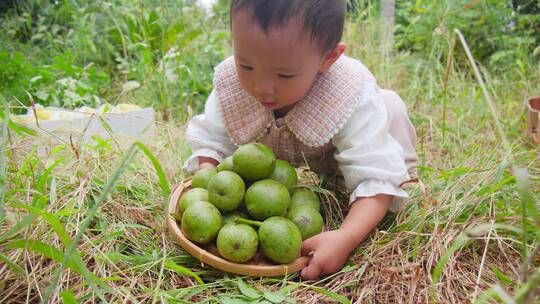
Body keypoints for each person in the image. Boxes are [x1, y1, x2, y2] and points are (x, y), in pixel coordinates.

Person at [184, 0, 418, 280]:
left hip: (366, 139)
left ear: (328, 58)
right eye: (246, 65)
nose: (262, 85)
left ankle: (408, 178)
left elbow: (375, 178)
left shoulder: (348, 97)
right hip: (279, 172)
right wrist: (208, 174)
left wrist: (346, 237)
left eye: (284, 74)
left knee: (390, 109)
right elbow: (213, 140)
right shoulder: (232, 87)